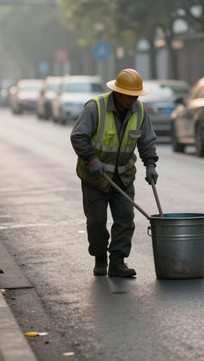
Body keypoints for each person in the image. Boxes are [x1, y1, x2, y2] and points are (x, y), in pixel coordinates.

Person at [71, 69, 158, 278]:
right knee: (97, 222)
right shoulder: (95, 108)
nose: (133, 100)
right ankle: (100, 257)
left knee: (125, 219)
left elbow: (146, 141)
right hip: (95, 179)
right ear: (118, 93)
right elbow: (78, 136)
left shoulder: (140, 111)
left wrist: (150, 165)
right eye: (130, 96)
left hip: (124, 177)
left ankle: (117, 261)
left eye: (136, 96)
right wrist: (92, 159)